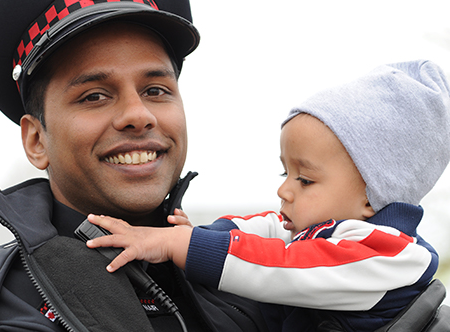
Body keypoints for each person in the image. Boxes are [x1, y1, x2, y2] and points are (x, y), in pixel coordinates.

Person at [0, 0, 270, 331]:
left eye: (155, 90)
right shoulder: (11, 312)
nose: (138, 115)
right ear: (36, 140)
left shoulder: (248, 268)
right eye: (94, 96)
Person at [85, 60, 450, 332]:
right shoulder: (318, 231)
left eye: (305, 179)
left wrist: (178, 244)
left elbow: (282, 267)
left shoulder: (390, 255)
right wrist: (202, 234)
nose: (283, 189)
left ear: (372, 196)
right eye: (284, 172)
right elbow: (264, 230)